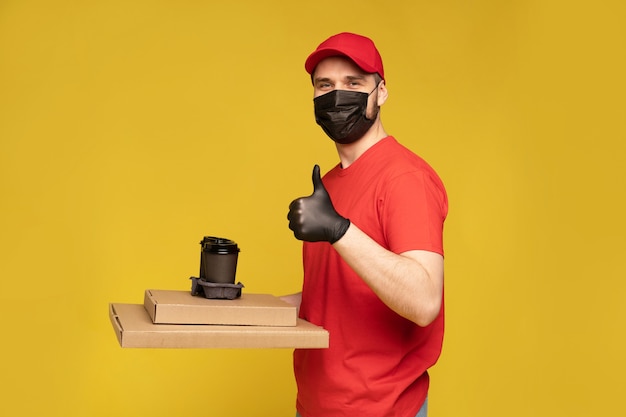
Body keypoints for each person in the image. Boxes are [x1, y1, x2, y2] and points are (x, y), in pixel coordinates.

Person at [284, 32, 448, 417]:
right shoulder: (330, 184)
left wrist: (339, 230)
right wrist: (253, 311)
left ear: (381, 92)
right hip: (314, 407)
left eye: (353, 83)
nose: (337, 95)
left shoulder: (405, 178)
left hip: (381, 410)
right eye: (325, 85)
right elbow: (331, 301)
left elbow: (425, 300)